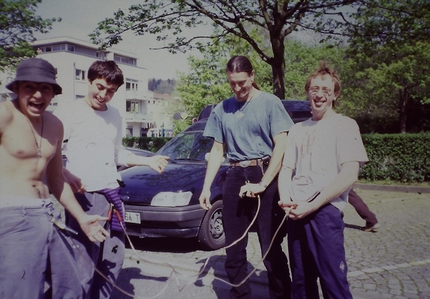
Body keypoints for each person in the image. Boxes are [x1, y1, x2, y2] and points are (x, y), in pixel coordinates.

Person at [53, 60, 169, 299]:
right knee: (83, 264)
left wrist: (148, 161)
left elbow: (117, 154)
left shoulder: (115, 115)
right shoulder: (69, 111)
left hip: (112, 195)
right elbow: (48, 151)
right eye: (100, 87)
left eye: (111, 91)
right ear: (89, 81)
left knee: (112, 261)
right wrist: (65, 173)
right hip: (85, 197)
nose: (104, 95)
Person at [0, 57, 108, 299]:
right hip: (11, 214)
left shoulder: (55, 125)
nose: (38, 95)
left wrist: (82, 219)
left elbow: (57, 179)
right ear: (16, 88)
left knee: (71, 287)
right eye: (29, 87)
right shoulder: (4, 114)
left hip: (46, 213)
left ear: (53, 93)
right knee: (22, 291)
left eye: (45, 88)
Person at [199, 56, 293, 299]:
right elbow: (218, 150)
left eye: (242, 82)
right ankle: (240, 294)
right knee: (234, 245)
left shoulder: (270, 103)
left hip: (264, 172)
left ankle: (281, 295)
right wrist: (206, 187)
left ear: (252, 75)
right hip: (235, 174)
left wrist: (263, 183)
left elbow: (281, 146)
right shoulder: (222, 108)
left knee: (269, 246)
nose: (237, 88)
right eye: (232, 83)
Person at [278, 61, 369, 299]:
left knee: (333, 283)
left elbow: (350, 174)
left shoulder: (345, 125)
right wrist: (286, 201)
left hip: (325, 213)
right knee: (300, 281)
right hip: (296, 212)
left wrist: (312, 205)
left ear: (335, 95)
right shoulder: (297, 129)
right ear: (308, 91)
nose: (319, 95)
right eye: (315, 89)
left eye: (326, 91)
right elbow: (286, 169)